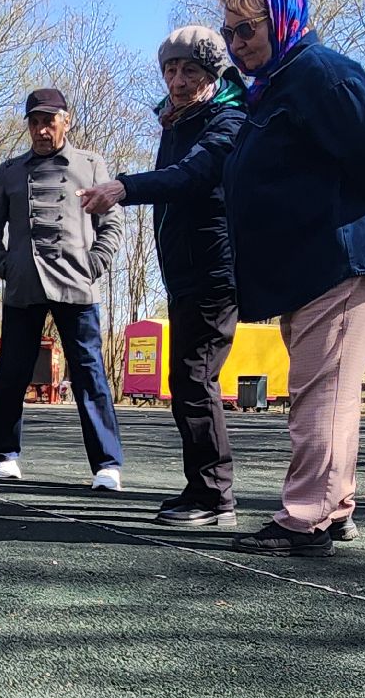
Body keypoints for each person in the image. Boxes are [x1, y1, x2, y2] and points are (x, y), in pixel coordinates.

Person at [219, 0, 365, 556]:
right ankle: (336, 506)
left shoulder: (318, 72)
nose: (236, 43)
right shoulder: (273, 86)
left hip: (340, 258)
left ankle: (305, 517)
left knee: (318, 394)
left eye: (247, 29)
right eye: (229, 33)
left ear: (281, 19)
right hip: (307, 264)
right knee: (331, 393)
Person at [78, 27, 247, 526]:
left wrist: (121, 188)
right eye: (170, 70)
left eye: (188, 70)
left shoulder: (226, 120)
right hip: (184, 274)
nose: (176, 79)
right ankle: (204, 489)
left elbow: (192, 177)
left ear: (210, 74)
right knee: (187, 379)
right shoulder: (177, 122)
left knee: (195, 379)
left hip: (215, 271)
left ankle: (215, 497)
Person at [0, 88, 125, 489]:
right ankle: (5, 454)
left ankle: (107, 465)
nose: (42, 130)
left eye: (49, 121)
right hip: (24, 286)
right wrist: (6, 265)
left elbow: (111, 225)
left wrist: (94, 265)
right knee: (12, 372)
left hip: (77, 287)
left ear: (66, 120)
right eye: (35, 122)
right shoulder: (10, 171)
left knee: (90, 374)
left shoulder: (91, 164)